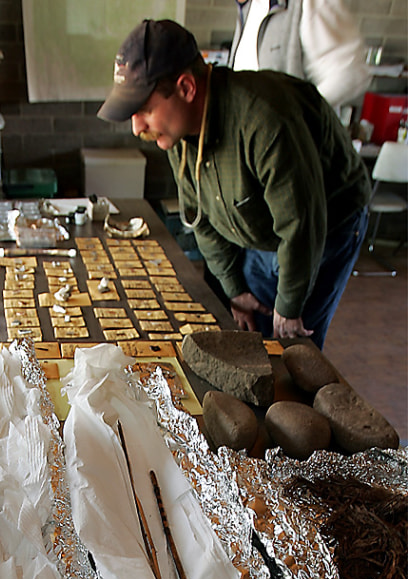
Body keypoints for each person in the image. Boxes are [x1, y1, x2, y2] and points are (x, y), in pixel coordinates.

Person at [98, 18, 370, 349]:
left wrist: (289, 307)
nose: (136, 127)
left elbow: (301, 226)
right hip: (261, 219)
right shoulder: (177, 134)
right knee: (249, 319)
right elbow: (200, 216)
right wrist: (235, 288)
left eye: (144, 109)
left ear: (186, 88)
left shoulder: (265, 121)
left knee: (291, 346)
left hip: (324, 225)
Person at [229, 0, 369, 113]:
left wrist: (293, 116)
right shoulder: (250, 8)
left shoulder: (310, 3)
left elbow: (350, 72)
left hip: (287, 143)